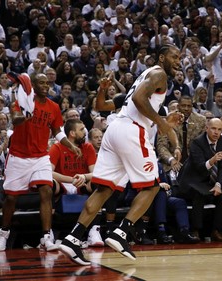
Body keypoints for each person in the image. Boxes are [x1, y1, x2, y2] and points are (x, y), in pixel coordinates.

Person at [58, 44, 184, 265]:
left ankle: (73, 237)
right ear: (161, 57)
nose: (178, 61)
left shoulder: (145, 77)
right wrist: (161, 123)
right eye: (175, 56)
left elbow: (124, 101)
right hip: (132, 131)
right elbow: (138, 99)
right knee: (153, 186)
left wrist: (171, 135)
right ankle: (122, 232)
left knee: (105, 188)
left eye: (180, 57)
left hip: (115, 130)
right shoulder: (159, 73)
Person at [0, 73, 82, 252]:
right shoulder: (19, 102)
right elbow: (16, 120)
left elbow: (57, 131)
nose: (45, 85)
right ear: (32, 85)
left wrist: (70, 145)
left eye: (47, 83)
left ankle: (46, 237)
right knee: (11, 198)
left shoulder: (54, 107)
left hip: (40, 156)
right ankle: (3, 233)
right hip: (18, 156)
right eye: (41, 83)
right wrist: (27, 113)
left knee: (46, 190)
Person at [49, 119, 103, 247]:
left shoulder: (88, 147)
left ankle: (94, 231)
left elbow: (95, 173)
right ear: (72, 133)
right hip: (63, 183)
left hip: (82, 184)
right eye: (81, 129)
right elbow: (48, 172)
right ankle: (48, 233)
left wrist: (83, 177)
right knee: (48, 184)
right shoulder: (57, 147)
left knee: (99, 183)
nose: (85, 132)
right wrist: (71, 180)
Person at [176, 118, 222, 242]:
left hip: (210, 181)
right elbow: (199, 167)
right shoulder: (197, 142)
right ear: (206, 128)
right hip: (192, 180)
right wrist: (212, 160)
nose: (216, 132)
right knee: (199, 193)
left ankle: (216, 231)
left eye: (219, 129)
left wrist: (218, 184)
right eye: (213, 128)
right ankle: (196, 230)